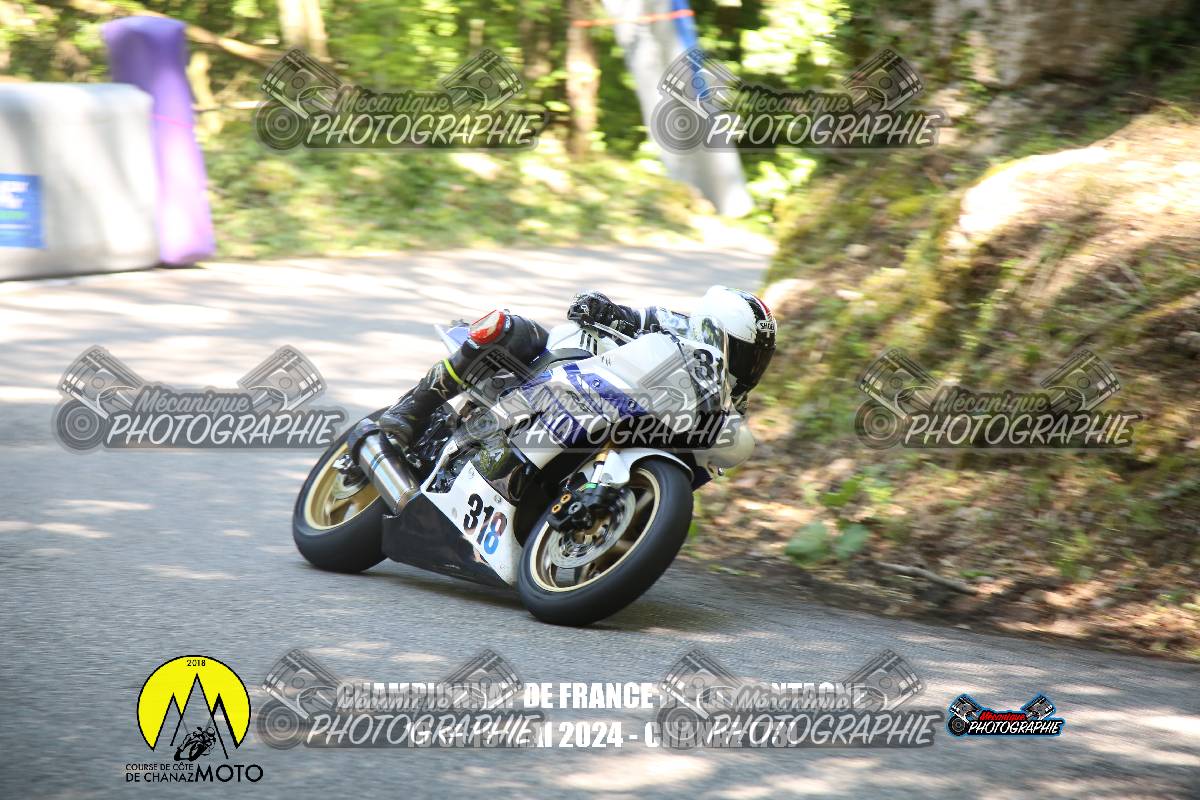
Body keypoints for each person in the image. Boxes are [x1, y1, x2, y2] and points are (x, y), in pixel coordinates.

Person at [373, 285, 776, 449]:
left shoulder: (729, 408)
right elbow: (631, 315)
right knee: (511, 329)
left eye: (755, 359)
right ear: (712, 328)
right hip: (583, 376)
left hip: (629, 432)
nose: (747, 367)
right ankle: (412, 408)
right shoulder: (673, 325)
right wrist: (600, 307)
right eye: (743, 353)